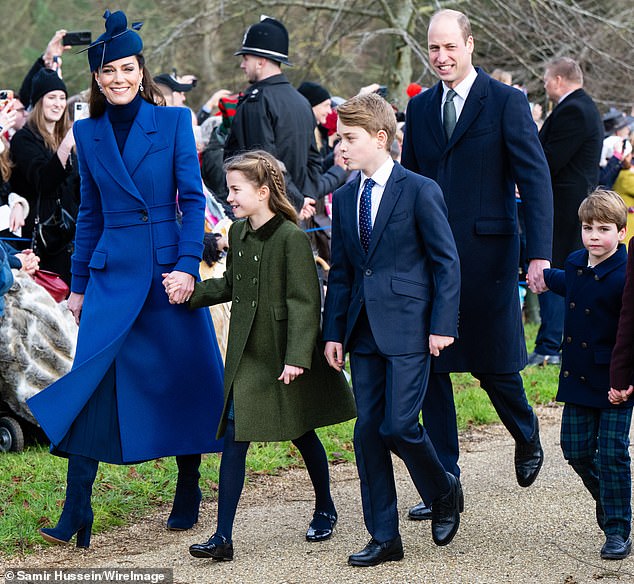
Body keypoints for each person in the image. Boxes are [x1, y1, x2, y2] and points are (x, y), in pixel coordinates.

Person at [26, 9, 225, 548]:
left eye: (128, 68)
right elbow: (89, 211)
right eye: (109, 70)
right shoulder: (87, 134)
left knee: (182, 377)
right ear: (96, 77)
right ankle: (76, 511)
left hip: (167, 276)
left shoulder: (174, 123)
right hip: (112, 278)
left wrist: (187, 267)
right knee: (92, 385)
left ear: (142, 71)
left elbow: (190, 201)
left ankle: (189, 485)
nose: (119, 78)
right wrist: (81, 287)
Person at [401, 9, 553, 520]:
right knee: (434, 368)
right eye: (433, 49)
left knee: (493, 364)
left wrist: (539, 254)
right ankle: (445, 483)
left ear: (470, 45)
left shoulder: (506, 102)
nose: (441, 57)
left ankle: (526, 433)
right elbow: (412, 185)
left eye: (450, 47)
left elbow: (535, 181)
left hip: (489, 256)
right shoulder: (420, 111)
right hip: (431, 259)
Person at [175, 150, 355, 561]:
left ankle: (325, 505)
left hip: (285, 353)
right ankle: (223, 537)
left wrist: (296, 358)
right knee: (236, 436)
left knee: (300, 430)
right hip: (248, 353)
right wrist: (189, 293)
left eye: (236, 189)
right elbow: (231, 284)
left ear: (262, 191)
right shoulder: (238, 233)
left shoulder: (291, 237)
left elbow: (305, 302)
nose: (229, 196)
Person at [323, 93, 462, 567]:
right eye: (340, 138)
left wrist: (443, 324)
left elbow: (446, 263)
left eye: (349, 139)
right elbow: (342, 272)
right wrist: (333, 332)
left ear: (380, 139)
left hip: (411, 328)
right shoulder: (344, 197)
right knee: (367, 435)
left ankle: (443, 488)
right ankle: (385, 537)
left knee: (399, 426)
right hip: (361, 332)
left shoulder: (419, 190)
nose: (340, 147)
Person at [543, 190, 631, 560]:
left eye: (604, 229)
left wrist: (627, 379)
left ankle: (617, 528)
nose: (594, 236)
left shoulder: (627, 273)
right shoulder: (578, 262)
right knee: (575, 450)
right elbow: (570, 283)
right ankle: (608, 499)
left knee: (611, 452)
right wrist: (542, 274)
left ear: (622, 233)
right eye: (587, 228)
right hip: (578, 376)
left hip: (616, 377)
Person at [225, 17, 346, 216]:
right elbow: (313, 159)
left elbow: (263, 162)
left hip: (268, 212)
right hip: (294, 209)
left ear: (261, 61)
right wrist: (305, 197)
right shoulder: (301, 101)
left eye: (246, 58)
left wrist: (298, 201)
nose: (242, 65)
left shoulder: (257, 101)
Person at [527, 57, 604, 367]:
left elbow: (548, 158)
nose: (545, 85)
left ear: (558, 80)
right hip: (569, 202)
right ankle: (551, 341)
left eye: (546, 79)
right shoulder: (578, 107)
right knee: (558, 268)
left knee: (554, 270)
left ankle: (550, 345)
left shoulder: (574, 110)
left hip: (565, 205)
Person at [10, 68, 79, 283]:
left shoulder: (65, 139)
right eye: (51, 97)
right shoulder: (24, 139)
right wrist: (67, 144)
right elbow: (44, 180)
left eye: (62, 98)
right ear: (39, 102)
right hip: (43, 243)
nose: (58, 103)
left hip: (71, 240)